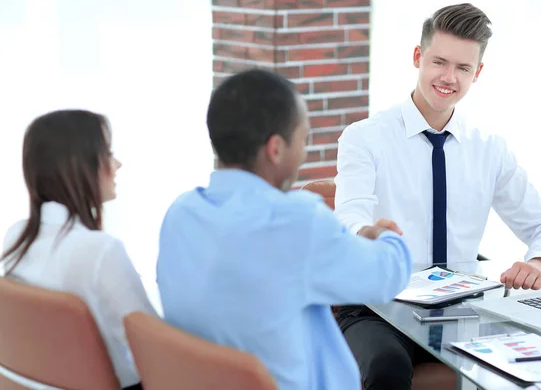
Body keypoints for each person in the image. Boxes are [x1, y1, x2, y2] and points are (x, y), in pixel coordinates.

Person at [333, 3, 541, 390]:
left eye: (462, 68)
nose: (448, 77)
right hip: (377, 308)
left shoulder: (489, 149)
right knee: (385, 367)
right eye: (439, 62)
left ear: (477, 73)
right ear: (417, 57)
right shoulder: (365, 138)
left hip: (462, 311)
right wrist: (368, 235)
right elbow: (348, 218)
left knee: (540, 362)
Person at [156, 69, 412, 390]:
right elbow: (387, 277)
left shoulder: (180, 214)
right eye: (303, 139)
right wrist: (383, 236)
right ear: (276, 149)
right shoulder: (296, 222)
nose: (303, 154)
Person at [1, 110, 156, 390]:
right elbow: (156, 349)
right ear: (78, 165)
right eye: (107, 153)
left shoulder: (16, 237)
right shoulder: (100, 251)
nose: (117, 164)